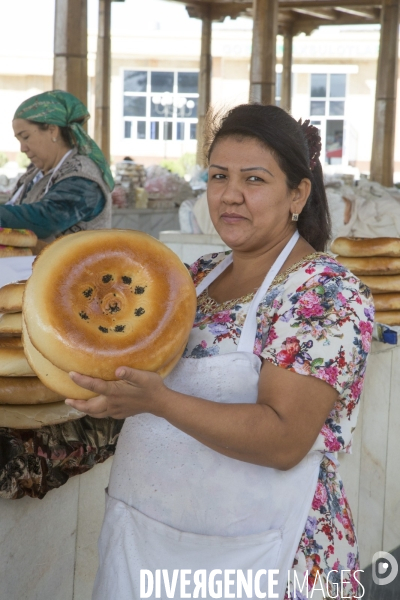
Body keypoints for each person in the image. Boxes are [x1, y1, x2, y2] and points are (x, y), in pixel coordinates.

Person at [66, 104, 374, 600]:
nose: (230, 195)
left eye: (254, 179)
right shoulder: (187, 277)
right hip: (151, 543)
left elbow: (283, 439)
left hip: (269, 552)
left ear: (298, 193)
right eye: (218, 176)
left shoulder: (324, 291)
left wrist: (155, 402)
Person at [0, 90, 113, 241]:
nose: (22, 148)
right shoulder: (35, 174)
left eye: (26, 137)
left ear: (52, 130)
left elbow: (46, 219)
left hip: (78, 264)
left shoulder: (83, 177)